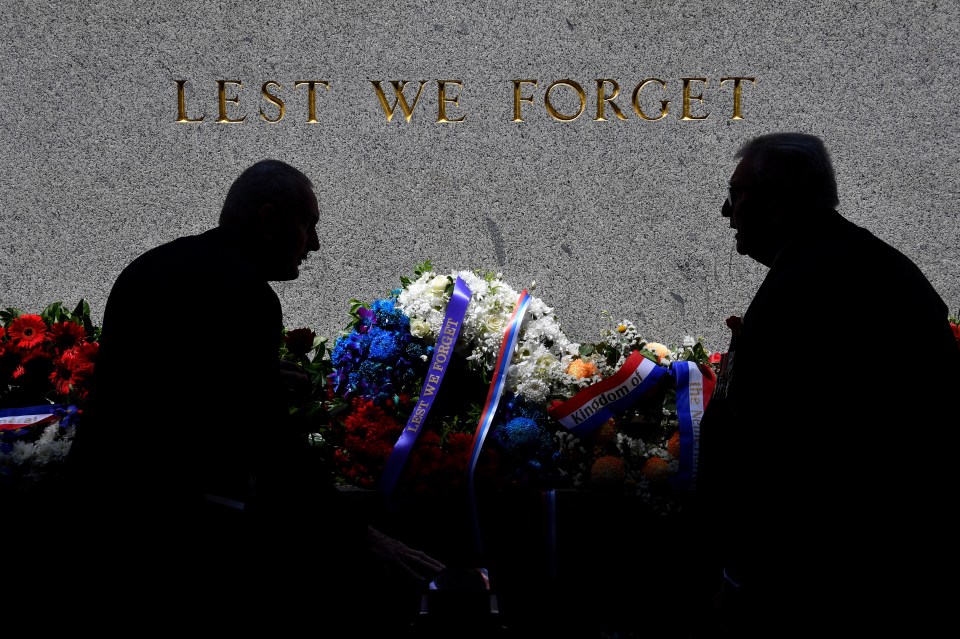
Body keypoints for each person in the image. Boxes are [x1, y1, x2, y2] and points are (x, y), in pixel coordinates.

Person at [52, 159, 444, 630]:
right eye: (308, 225)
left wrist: (254, 372)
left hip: (93, 519)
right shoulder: (246, 293)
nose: (314, 244)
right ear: (267, 220)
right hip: (171, 539)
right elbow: (271, 441)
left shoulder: (154, 265)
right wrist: (358, 535)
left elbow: (164, 379)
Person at [694, 133, 960, 637]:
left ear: (779, 203)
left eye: (737, 195)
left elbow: (788, 453)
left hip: (824, 575)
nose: (726, 212)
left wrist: (740, 574)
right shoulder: (859, 264)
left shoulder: (810, 287)